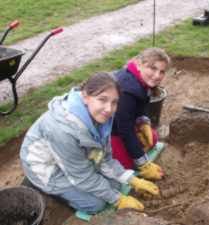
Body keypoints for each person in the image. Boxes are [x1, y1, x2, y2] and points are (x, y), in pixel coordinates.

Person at [20, 72, 160, 214]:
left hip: (72, 162)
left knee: (116, 185)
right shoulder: (63, 130)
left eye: (114, 102)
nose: (109, 109)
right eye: (102, 99)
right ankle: (51, 194)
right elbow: (82, 176)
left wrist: (132, 180)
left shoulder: (101, 117)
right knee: (96, 204)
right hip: (47, 169)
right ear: (85, 96)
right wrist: (118, 200)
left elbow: (104, 157)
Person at [111, 47, 171, 180]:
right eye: (152, 68)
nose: (157, 76)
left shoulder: (141, 81)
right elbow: (125, 131)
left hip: (122, 123)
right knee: (127, 165)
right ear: (139, 64)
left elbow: (140, 107)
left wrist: (143, 122)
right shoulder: (127, 91)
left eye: (162, 72)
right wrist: (144, 164)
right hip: (109, 130)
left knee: (153, 138)